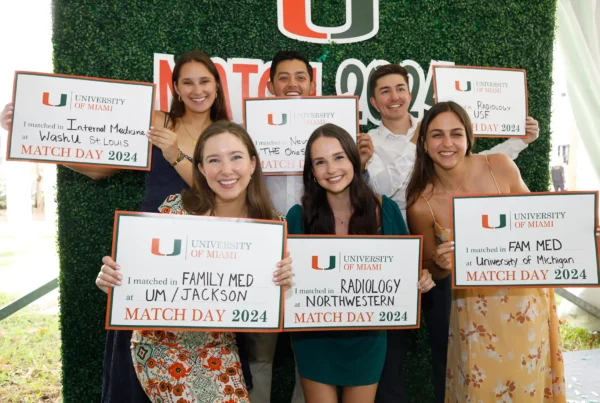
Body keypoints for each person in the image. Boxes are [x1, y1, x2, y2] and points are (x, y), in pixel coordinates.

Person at [0, 50, 230, 403]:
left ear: (217, 85)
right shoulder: (158, 121)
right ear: (176, 87)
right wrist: (30, 136)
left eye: (204, 81)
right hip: (148, 248)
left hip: (206, 257)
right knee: (135, 355)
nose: (197, 90)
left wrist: (176, 156)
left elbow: (220, 193)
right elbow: (97, 168)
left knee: (200, 355)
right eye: (188, 82)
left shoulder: (228, 134)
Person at [363, 64, 541, 403]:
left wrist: (518, 141)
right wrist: (439, 264)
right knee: (454, 361)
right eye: (384, 91)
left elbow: (483, 171)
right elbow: (387, 193)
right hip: (417, 263)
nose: (394, 96)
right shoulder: (398, 176)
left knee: (525, 376)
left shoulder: (488, 162)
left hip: (519, 296)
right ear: (373, 101)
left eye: (399, 88)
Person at [96, 120, 294, 402]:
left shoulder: (272, 226)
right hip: (160, 345)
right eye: (214, 160)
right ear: (201, 169)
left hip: (218, 349)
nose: (226, 170)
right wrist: (115, 281)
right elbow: (138, 278)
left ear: (252, 164)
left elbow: (263, 312)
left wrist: (281, 288)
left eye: (235, 157)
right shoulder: (175, 209)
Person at [405, 101, 572, 402]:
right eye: (437, 135)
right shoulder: (421, 204)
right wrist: (443, 264)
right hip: (474, 318)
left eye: (456, 134)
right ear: (424, 143)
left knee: (527, 388)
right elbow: (433, 269)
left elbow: (538, 224)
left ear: (469, 138)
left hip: (525, 305)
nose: (447, 143)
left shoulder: (501, 166)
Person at [242, 50, 374, 403]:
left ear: (312, 85)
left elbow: (355, 191)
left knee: (312, 349)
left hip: (316, 252)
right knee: (260, 354)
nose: (292, 84)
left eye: (300, 77)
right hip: (266, 258)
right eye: (283, 78)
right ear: (269, 86)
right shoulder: (250, 133)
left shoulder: (336, 134)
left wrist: (364, 162)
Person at [286, 123, 434, 403]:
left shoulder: (385, 210)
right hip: (315, 340)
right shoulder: (297, 217)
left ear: (354, 159)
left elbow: (407, 271)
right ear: (312, 172)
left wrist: (421, 278)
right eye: (320, 162)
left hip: (368, 339)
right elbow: (285, 279)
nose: (331, 169)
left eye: (339, 157)